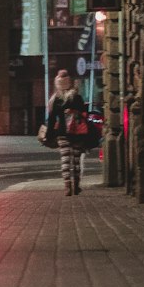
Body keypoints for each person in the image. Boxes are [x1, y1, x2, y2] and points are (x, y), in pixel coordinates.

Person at [44, 68, 90, 196]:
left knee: (65, 160)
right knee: (75, 160)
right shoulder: (76, 97)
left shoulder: (55, 100)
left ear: (57, 83)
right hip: (77, 133)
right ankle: (76, 185)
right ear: (69, 82)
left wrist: (48, 135)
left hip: (62, 133)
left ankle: (67, 186)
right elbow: (84, 113)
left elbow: (52, 119)